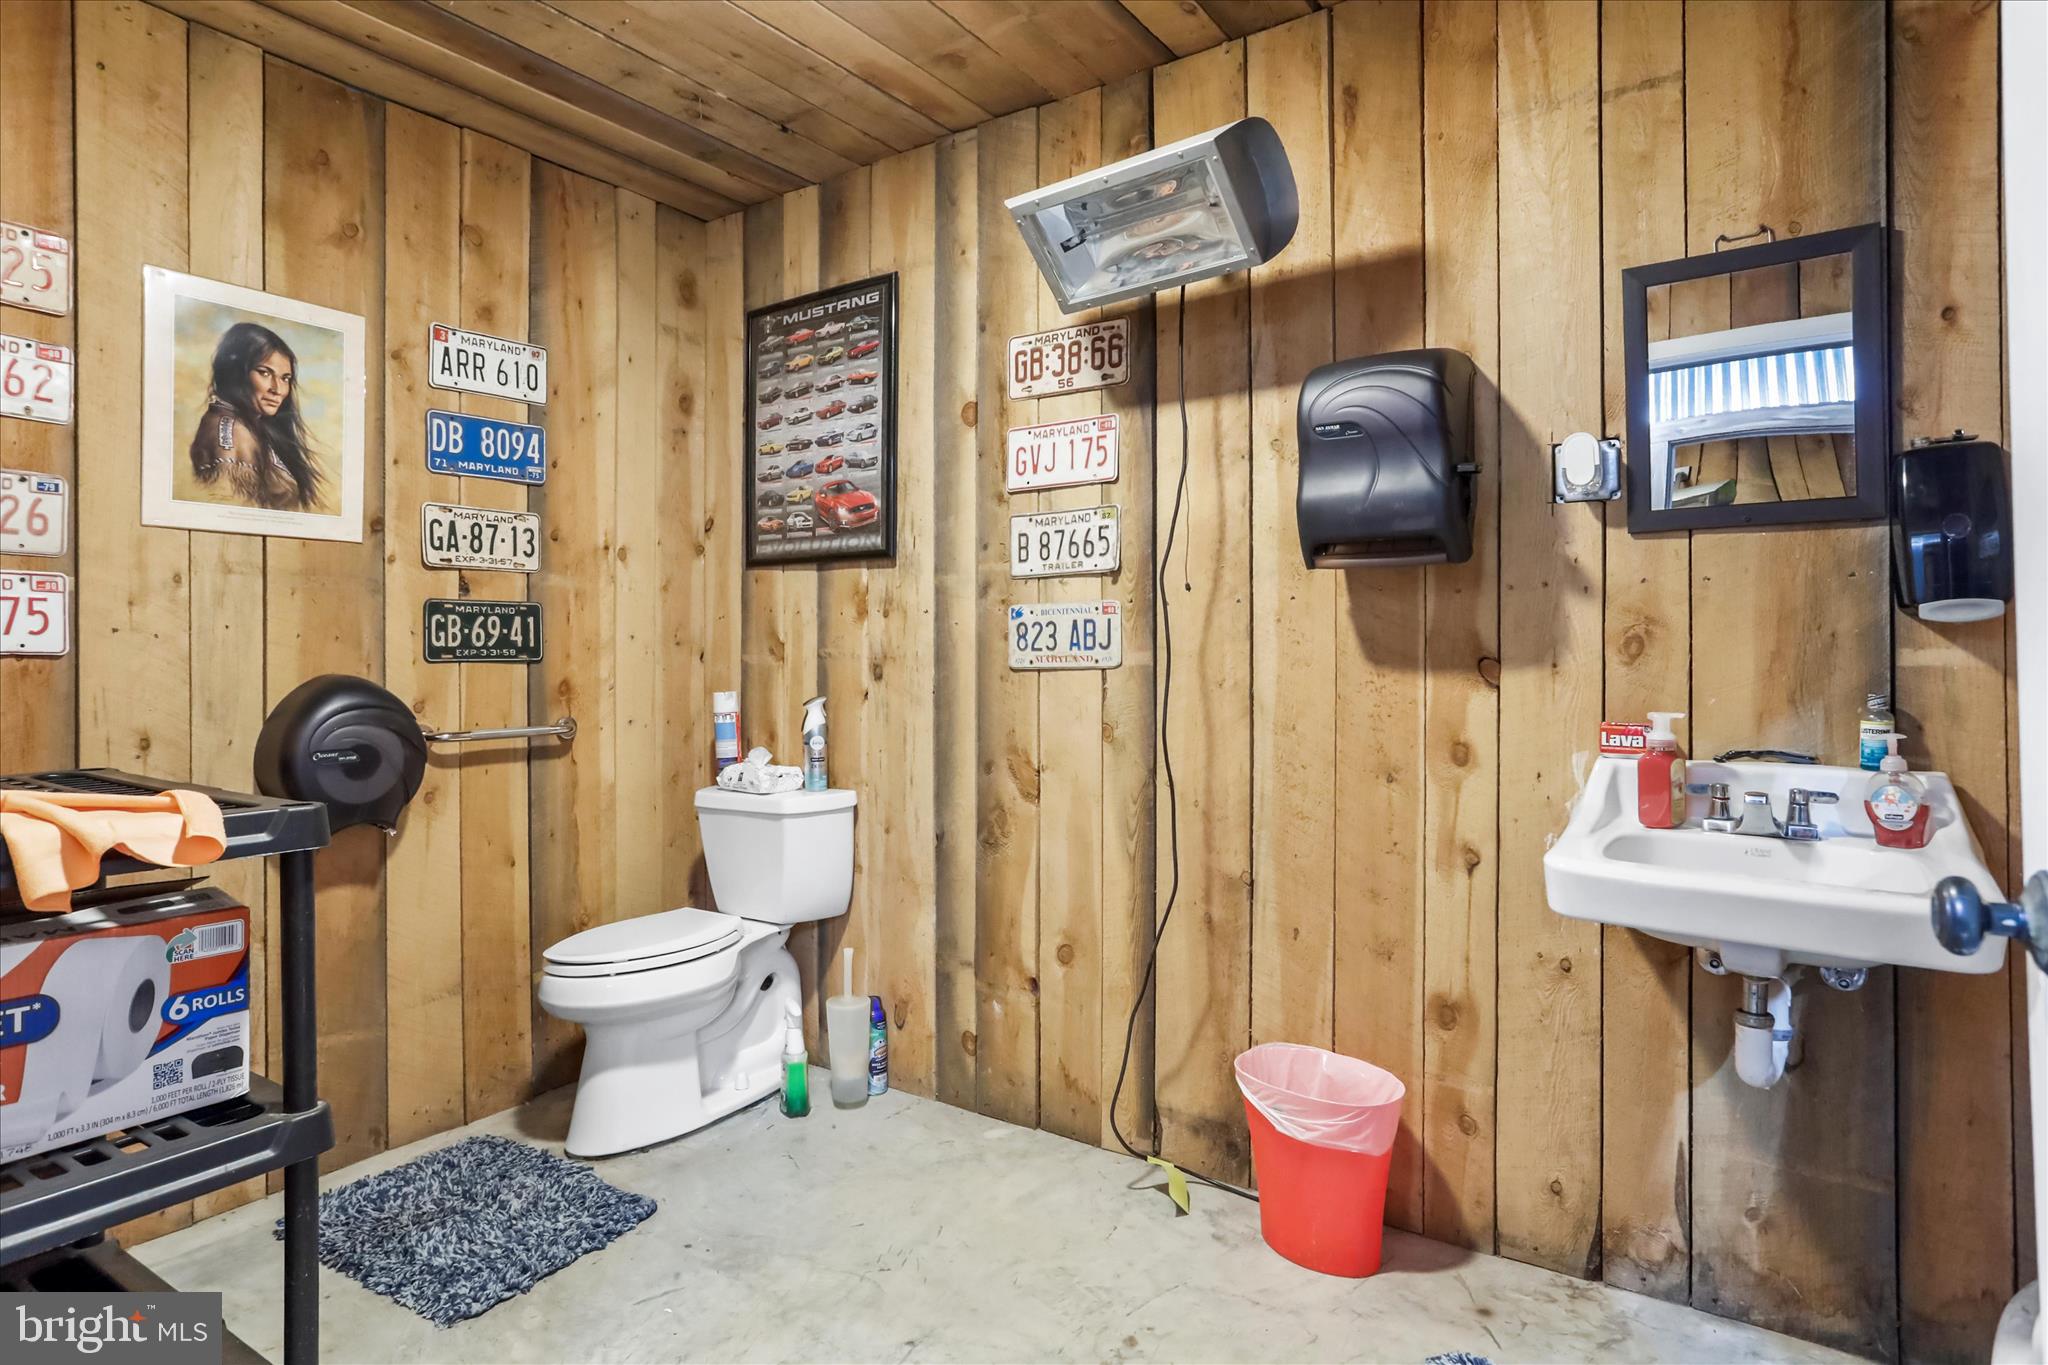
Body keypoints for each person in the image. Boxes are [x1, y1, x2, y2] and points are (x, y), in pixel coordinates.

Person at [187, 321, 322, 511]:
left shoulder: (251, 426)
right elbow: (229, 511)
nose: (278, 389)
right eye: (265, 373)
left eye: (285, 378)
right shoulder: (232, 432)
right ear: (236, 372)